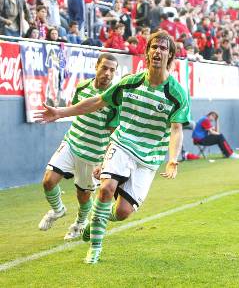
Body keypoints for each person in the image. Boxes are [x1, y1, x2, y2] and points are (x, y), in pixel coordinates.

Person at [34, 30, 191, 264]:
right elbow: (98, 101)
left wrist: (172, 158)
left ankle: (94, 223)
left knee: (122, 212)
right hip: (123, 143)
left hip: (149, 156)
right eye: (154, 47)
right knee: (106, 188)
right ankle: (94, 251)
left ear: (170, 55)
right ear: (147, 52)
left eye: (163, 48)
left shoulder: (177, 93)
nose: (158, 51)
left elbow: (176, 128)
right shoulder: (130, 82)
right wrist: (60, 112)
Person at [37, 53, 119, 242]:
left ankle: (80, 223)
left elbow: (113, 133)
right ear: (96, 66)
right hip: (72, 143)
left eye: (112, 70)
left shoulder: (114, 99)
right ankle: (58, 210)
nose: (108, 73)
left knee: (83, 196)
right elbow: (77, 109)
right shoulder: (82, 86)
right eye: (104, 68)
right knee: (48, 181)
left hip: (93, 155)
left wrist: (105, 162)